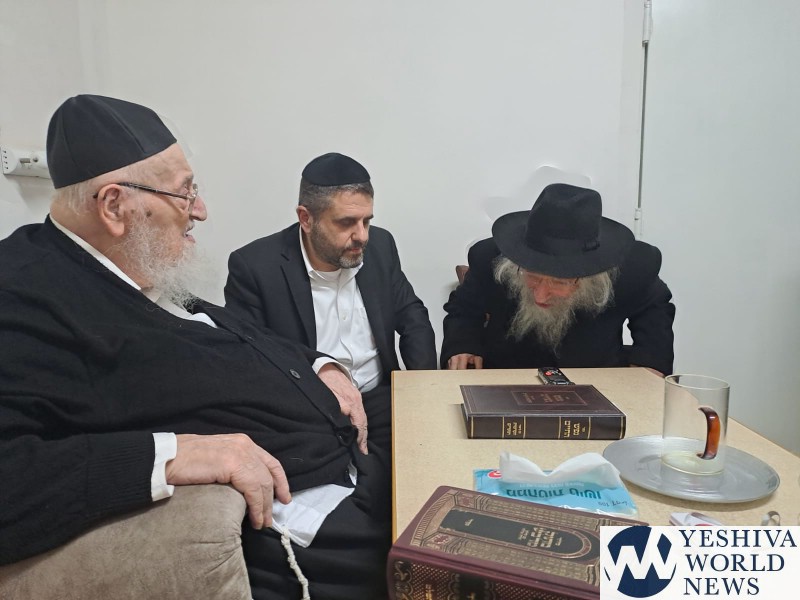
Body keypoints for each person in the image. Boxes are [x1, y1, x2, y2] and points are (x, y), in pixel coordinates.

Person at [0, 95, 391, 600]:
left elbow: (244, 333)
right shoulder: (20, 293)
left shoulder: (133, 263)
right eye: (185, 194)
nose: (200, 211)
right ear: (114, 206)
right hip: (305, 501)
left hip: (344, 444)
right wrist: (173, 454)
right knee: (440, 554)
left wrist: (323, 366)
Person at [224, 152, 437, 451]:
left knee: (428, 454)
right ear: (306, 218)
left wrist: (423, 388)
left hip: (381, 397)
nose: (361, 236)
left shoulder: (381, 246)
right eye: (346, 222)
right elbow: (251, 354)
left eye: (367, 221)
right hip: (309, 407)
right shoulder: (255, 266)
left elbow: (412, 315)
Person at [441, 183, 675, 375]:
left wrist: (649, 361)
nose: (540, 295)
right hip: (506, 375)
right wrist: (462, 344)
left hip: (596, 378)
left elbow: (654, 310)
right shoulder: (490, 259)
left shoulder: (631, 269)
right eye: (532, 277)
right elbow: (464, 308)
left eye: (559, 282)